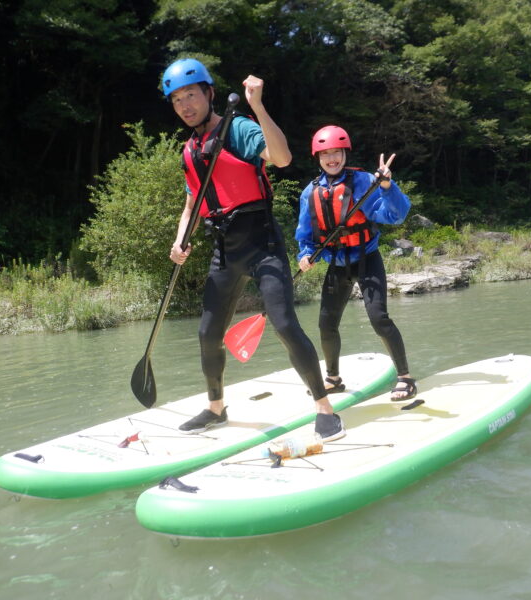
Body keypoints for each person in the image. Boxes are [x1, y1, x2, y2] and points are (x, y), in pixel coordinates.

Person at [162, 58, 345, 441]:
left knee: (284, 325)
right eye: (177, 100)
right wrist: (180, 239)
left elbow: (281, 159)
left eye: (191, 95)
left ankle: (324, 407)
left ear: (209, 94)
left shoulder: (238, 128)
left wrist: (258, 107)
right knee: (208, 333)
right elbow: (192, 203)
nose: (185, 105)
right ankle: (216, 408)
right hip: (224, 250)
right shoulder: (189, 150)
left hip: (261, 243)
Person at [295, 125, 417, 401]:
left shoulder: (363, 183)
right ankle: (334, 379)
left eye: (336, 152)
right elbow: (305, 234)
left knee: (379, 318)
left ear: (344, 153)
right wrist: (304, 254)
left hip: (367, 258)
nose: (332, 159)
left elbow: (396, 215)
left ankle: (405, 379)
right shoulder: (310, 192)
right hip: (337, 264)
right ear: (318, 158)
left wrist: (387, 185)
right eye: (325, 154)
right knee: (326, 324)